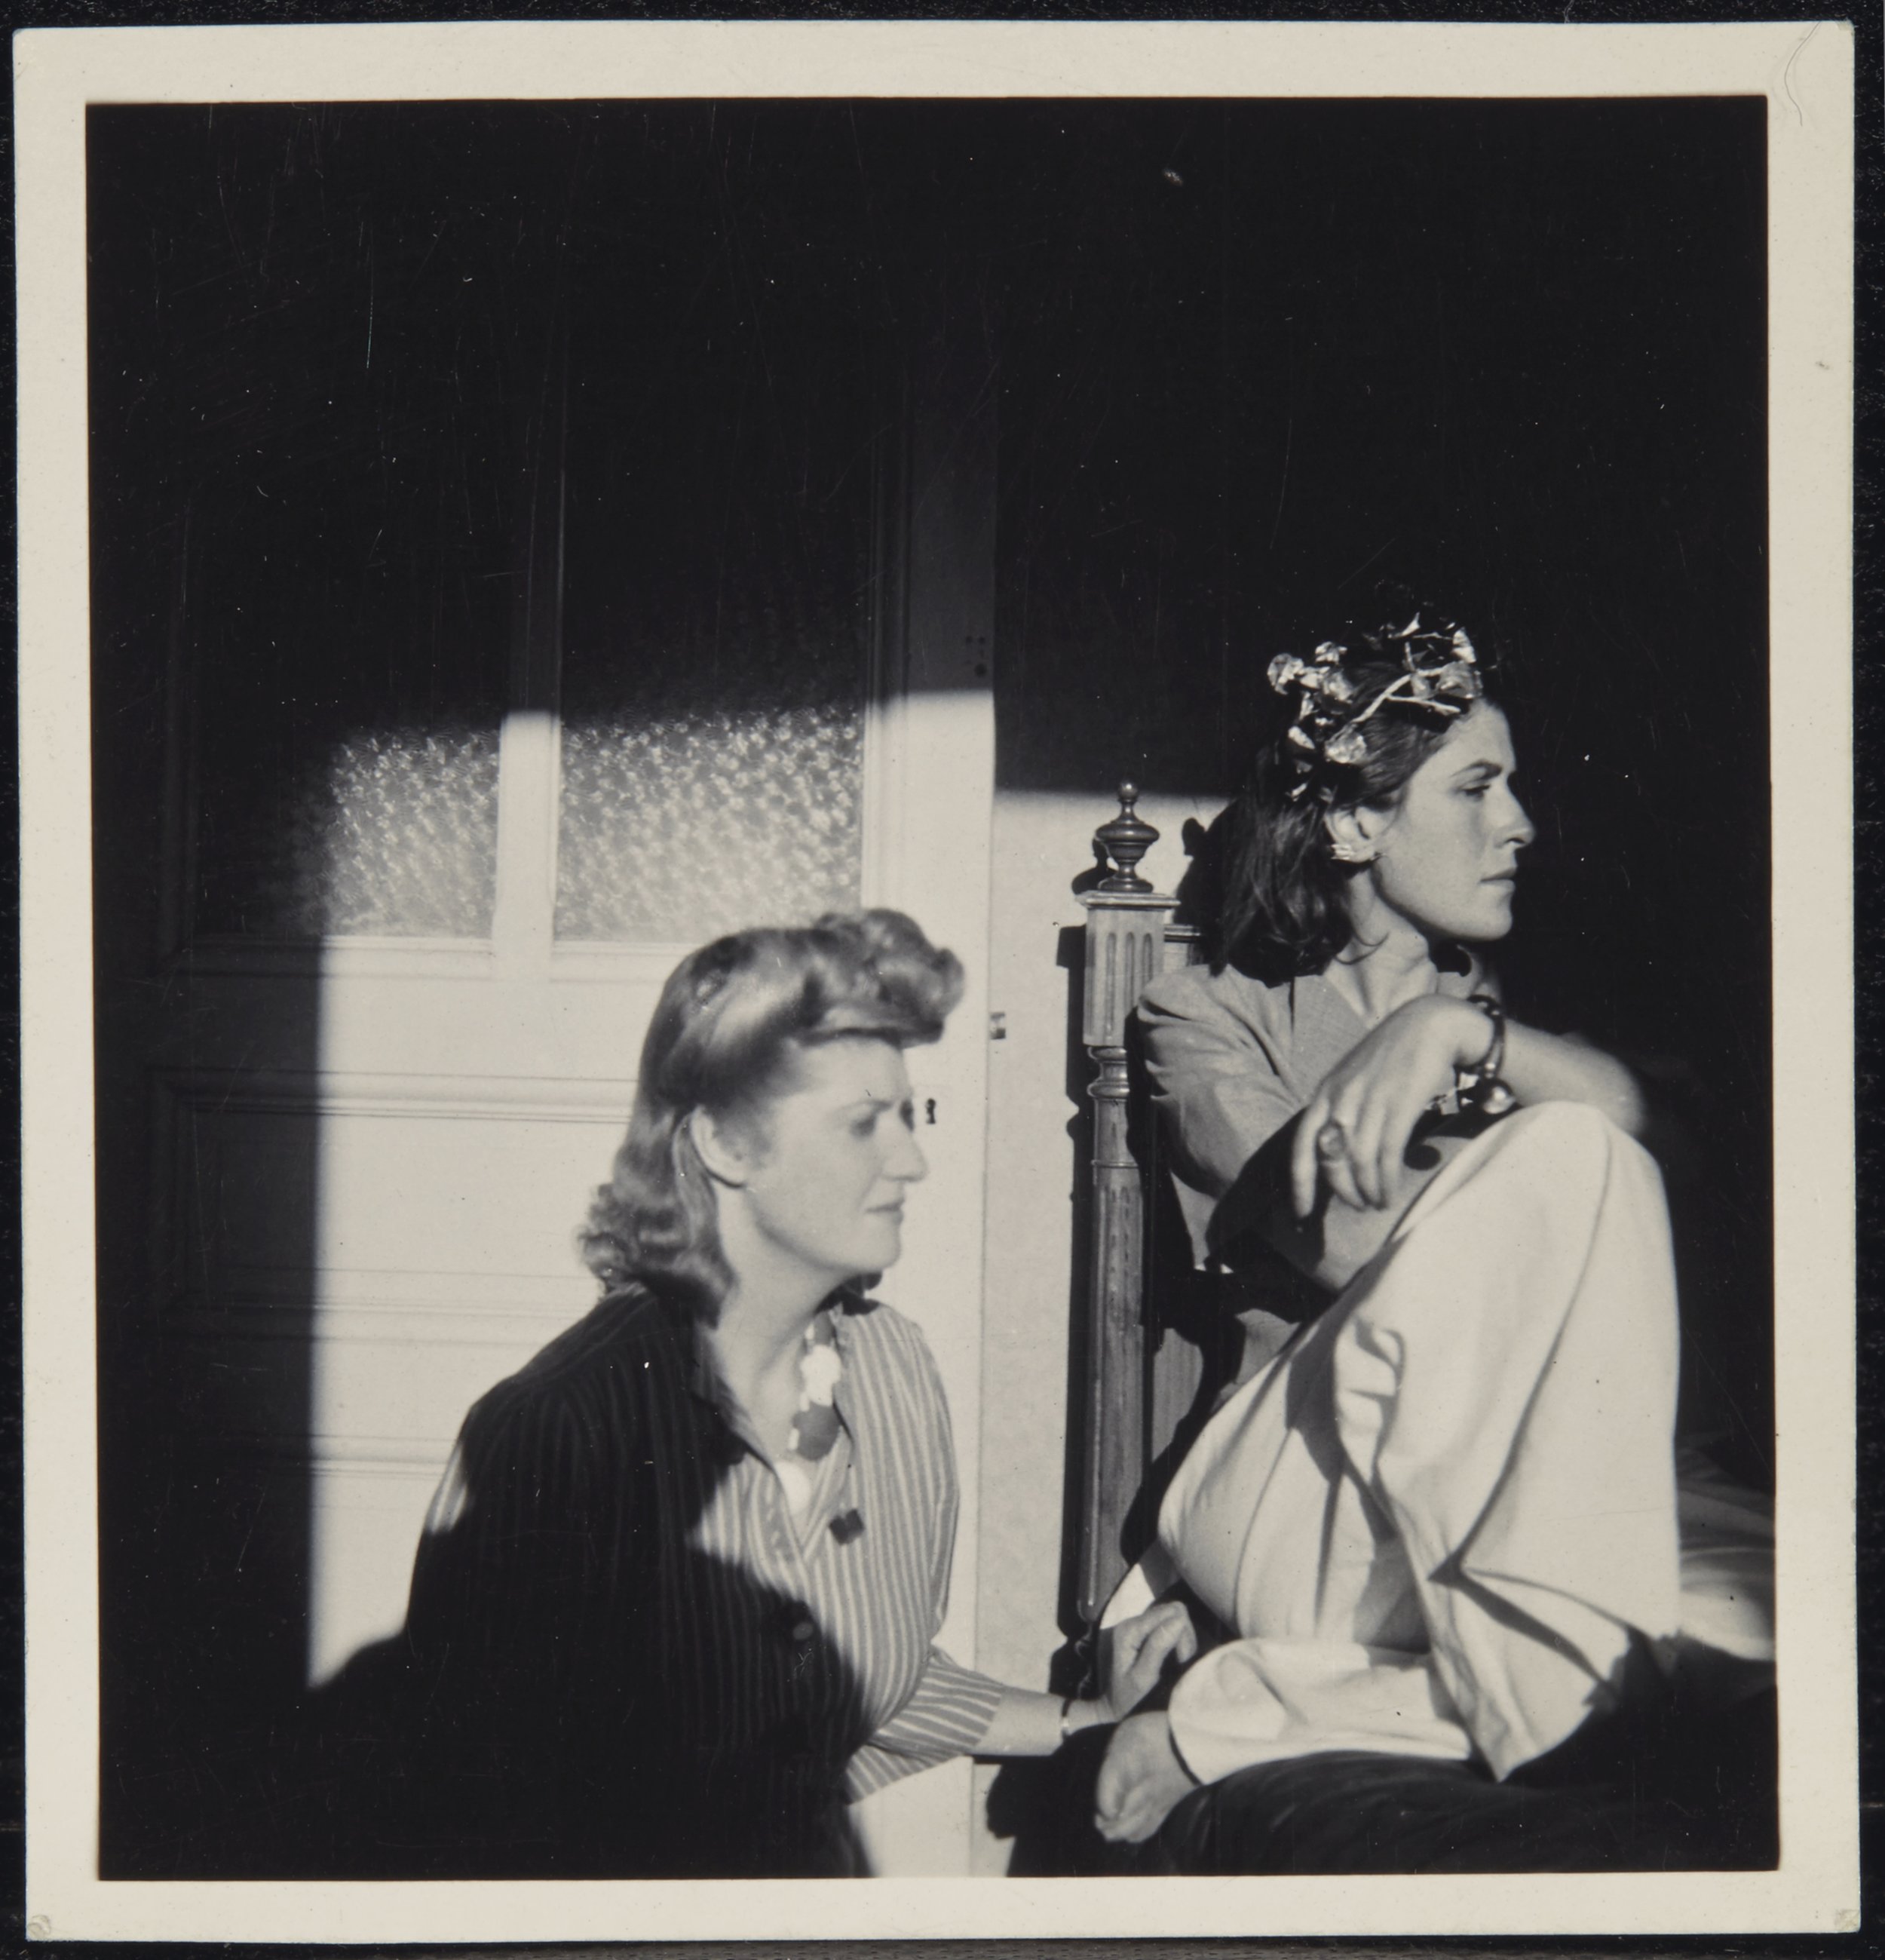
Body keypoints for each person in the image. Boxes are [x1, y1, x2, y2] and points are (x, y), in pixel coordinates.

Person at [1089, 614, 1775, 1865]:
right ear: (1355, 823)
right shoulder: (1205, 1016)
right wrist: (1476, 1090)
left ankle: (1273, 1709)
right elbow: (1353, 1244)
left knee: (1765, 1620)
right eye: (1476, 787)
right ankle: (1519, 1688)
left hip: (1472, 1514)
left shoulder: (1516, 1024)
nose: (1521, 823)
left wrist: (1462, 1035)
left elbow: (1678, 1150)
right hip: (1303, 1485)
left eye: (1512, 786)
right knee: (1571, 1155)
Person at [389, 909, 1191, 1877]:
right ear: (725, 1144)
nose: (911, 1161)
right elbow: (460, 1817)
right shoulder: (557, 1432)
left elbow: (865, 1678)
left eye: (909, 1114)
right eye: (863, 1125)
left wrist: (1088, 1721)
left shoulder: (895, 1375)